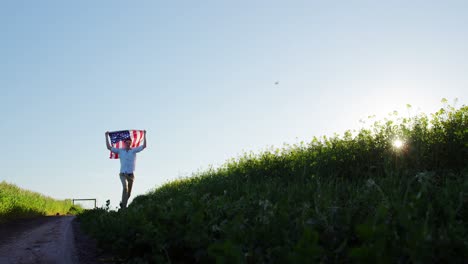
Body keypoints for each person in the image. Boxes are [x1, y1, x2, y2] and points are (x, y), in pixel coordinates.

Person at [105, 130, 147, 208]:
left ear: (130, 143)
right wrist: (106, 136)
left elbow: (144, 146)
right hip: (123, 174)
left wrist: (144, 134)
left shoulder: (134, 151)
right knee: (125, 187)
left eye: (129, 143)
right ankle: (124, 208)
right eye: (126, 143)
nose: (128, 144)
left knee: (128, 194)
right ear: (125, 143)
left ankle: (123, 203)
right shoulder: (120, 151)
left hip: (131, 175)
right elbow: (109, 147)